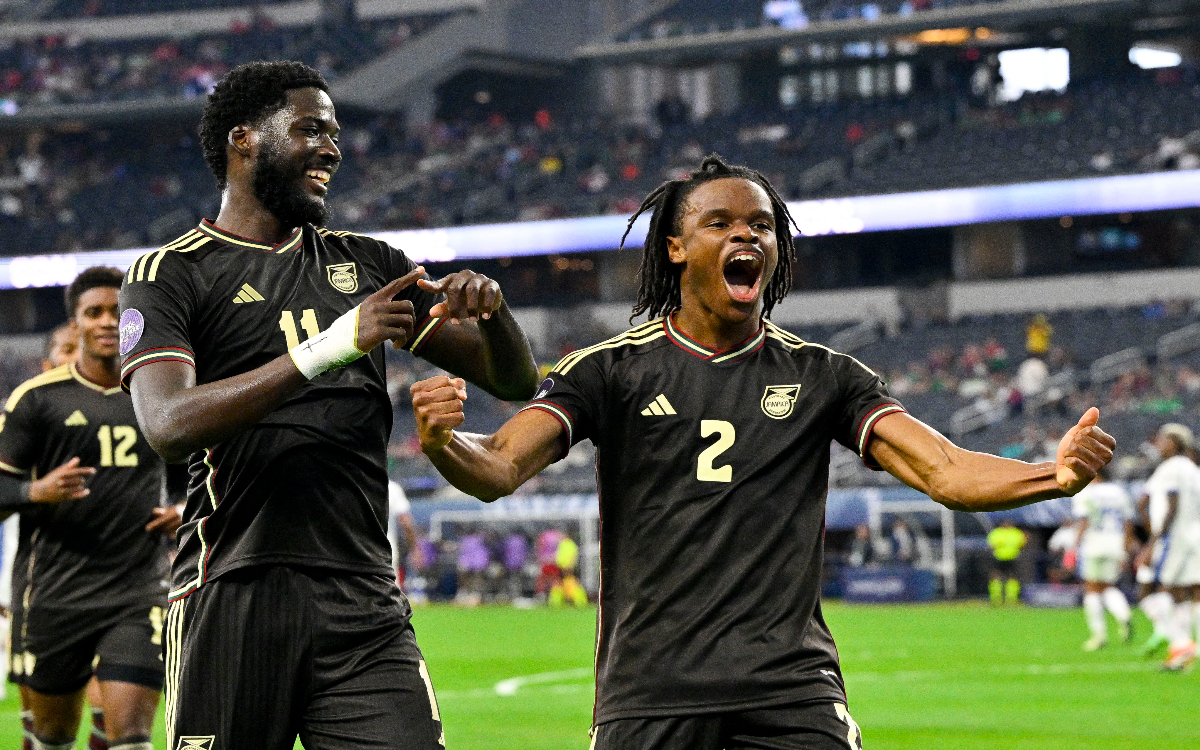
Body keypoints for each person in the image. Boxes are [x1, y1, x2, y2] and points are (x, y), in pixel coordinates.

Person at [409, 155, 1115, 749]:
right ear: (676, 248)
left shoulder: (826, 375)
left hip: (791, 693)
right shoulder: (609, 370)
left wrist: (1052, 475)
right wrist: (444, 442)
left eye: (761, 225)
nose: (746, 234)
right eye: (719, 222)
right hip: (650, 693)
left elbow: (946, 469)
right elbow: (500, 465)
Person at [118, 61, 538, 749]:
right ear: (243, 139)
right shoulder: (172, 274)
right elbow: (167, 422)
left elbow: (514, 382)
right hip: (231, 589)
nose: (333, 149)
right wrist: (332, 345)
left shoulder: (371, 266)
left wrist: (493, 314)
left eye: (336, 133)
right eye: (312, 129)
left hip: (362, 597)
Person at [0, 267, 184, 750]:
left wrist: (186, 508)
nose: (106, 322)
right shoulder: (36, 400)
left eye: (117, 311)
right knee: (53, 736)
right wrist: (33, 493)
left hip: (137, 588)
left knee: (132, 736)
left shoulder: (159, 392)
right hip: (53, 593)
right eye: (94, 312)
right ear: (75, 322)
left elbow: (202, 472)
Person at [1138, 424, 1200, 671]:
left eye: (1162, 440)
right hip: (1193, 536)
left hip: (1174, 538)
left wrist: (1152, 543)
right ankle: (1181, 652)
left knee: (1159, 591)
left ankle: (1182, 644)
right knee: (1186, 592)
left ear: (1175, 443)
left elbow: (1171, 506)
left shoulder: (1170, 469)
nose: (1158, 444)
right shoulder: (1194, 469)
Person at [1069, 468, 1134, 650]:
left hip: (1093, 543)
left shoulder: (1086, 493)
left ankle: (1099, 635)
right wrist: (1126, 549)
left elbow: (1083, 520)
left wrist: (1074, 546)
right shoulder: (1120, 492)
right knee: (1108, 586)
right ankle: (1123, 615)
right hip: (1116, 543)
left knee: (1091, 588)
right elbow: (1128, 522)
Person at [387, 480, 418, 590]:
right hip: (385, 549)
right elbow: (406, 523)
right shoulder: (392, 488)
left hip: (356, 548)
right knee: (389, 592)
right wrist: (415, 549)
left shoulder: (354, 482)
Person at [987, 520, 1026, 605]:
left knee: (1006, 577)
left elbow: (991, 545)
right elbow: (1022, 544)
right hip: (1005, 557)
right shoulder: (1015, 533)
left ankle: (1006, 599)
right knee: (1004, 577)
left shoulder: (997, 532)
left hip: (1005, 557)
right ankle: (1004, 599)